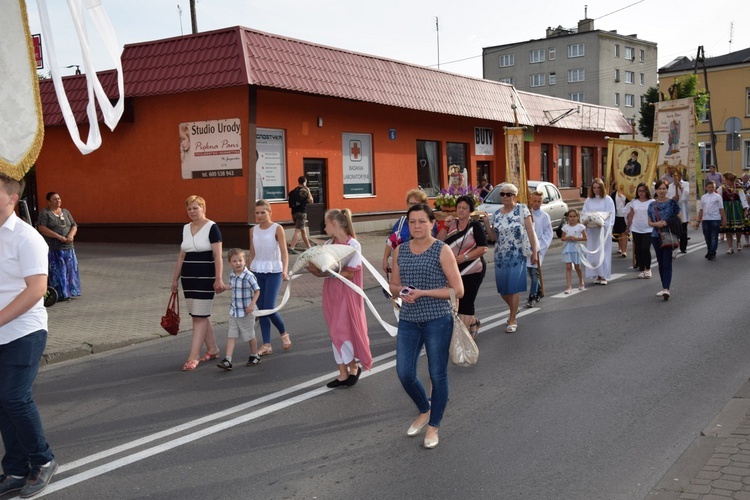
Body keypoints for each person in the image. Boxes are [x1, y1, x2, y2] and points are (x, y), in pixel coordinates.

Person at [0, 173, 58, 498]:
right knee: (2, 400)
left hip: (25, 330)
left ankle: (44, 460)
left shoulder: (27, 238)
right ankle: (17, 469)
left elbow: (36, 289)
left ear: (11, 198)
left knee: (13, 396)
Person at [390, 203, 463, 450]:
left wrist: (422, 293)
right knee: (404, 373)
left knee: (437, 374)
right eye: (412, 221)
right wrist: (403, 292)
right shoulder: (400, 251)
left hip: (437, 319)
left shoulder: (442, 250)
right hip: (409, 319)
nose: (417, 226)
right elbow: (393, 286)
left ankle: (433, 426)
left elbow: (458, 290)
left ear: (433, 223)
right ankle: (424, 408)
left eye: (422, 221)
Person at [308, 209, 372, 388]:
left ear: (334, 224)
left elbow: (350, 273)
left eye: (326, 223)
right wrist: (312, 265)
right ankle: (343, 372)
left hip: (348, 293)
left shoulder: (353, 245)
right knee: (334, 330)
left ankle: (353, 367)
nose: (324, 227)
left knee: (342, 330)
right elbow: (323, 271)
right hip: (332, 292)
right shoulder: (329, 243)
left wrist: (327, 271)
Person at [171, 195, 225, 371]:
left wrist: (218, 278)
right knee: (198, 314)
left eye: (196, 208)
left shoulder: (212, 227)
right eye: (189, 209)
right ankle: (213, 349)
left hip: (205, 277)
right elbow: (181, 255)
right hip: (188, 278)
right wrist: (175, 279)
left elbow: (218, 256)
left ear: (203, 208)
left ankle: (193, 356)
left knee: (199, 317)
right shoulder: (186, 228)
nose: (192, 211)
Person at [436, 195, 488, 337]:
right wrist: (445, 226)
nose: (461, 210)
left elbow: (483, 248)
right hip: (454, 271)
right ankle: (473, 321)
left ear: (470, 210)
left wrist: (464, 257)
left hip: (473, 270)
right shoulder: (452, 225)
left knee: (466, 302)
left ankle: (462, 338)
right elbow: (437, 243)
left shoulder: (475, 226)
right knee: (454, 302)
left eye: (464, 208)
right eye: (459, 207)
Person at [490, 183, 538, 333]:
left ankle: (512, 319)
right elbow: (492, 237)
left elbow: (530, 231)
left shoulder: (522, 209)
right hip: (500, 255)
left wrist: (534, 251)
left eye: (508, 194)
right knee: (503, 290)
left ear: (514, 196)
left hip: (517, 253)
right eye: (502, 194)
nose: (505, 197)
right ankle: (514, 309)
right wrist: (486, 223)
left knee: (513, 287)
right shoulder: (497, 214)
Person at [248, 200, 291, 355]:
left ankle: (284, 334)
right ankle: (266, 344)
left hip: (274, 271)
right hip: (257, 270)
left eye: (263, 212)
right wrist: (247, 273)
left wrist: (285, 270)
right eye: (257, 212)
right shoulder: (253, 230)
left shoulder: (277, 228)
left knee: (269, 308)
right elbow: (252, 253)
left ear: (270, 212)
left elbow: (284, 252)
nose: (259, 216)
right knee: (261, 309)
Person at [217, 249, 261, 371]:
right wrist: (223, 288)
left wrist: (252, 304)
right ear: (230, 263)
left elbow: (257, 290)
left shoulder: (249, 276)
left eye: (240, 260)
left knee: (249, 336)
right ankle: (227, 359)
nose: (238, 263)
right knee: (231, 335)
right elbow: (232, 286)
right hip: (234, 311)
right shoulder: (232, 275)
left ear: (244, 261)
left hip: (246, 312)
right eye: (234, 261)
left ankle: (254, 355)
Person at [36, 192, 81, 301]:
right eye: (55, 199)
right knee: (58, 271)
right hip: (54, 248)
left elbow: (74, 225)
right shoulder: (45, 213)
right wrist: (58, 237)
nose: (58, 201)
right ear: (49, 201)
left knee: (69, 270)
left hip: (68, 247)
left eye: (59, 198)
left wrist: (70, 235)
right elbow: (42, 228)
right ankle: (60, 293)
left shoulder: (65, 212)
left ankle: (71, 291)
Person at [382, 188, 429, 276]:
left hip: (422, 266)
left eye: (417, 203)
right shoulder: (401, 221)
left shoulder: (428, 222)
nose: (413, 206)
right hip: (401, 265)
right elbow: (390, 242)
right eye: (411, 203)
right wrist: (385, 260)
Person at [648, 180, 681, 300]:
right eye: (659, 188)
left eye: (664, 188)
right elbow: (649, 222)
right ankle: (664, 287)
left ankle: (666, 288)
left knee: (667, 262)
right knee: (660, 263)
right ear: (655, 190)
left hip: (668, 235)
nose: (662, 191)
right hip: (656, 236)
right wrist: (656, 224)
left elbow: (679, 219)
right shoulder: (652, 205)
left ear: (667, 189)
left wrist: (667, 222)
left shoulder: (672, 203)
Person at [582, 178, 616, 285]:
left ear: (602, 188)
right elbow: (584, 213)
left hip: (603, 230)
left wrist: (605, 224)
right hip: (592, 231)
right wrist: (586, 222)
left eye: (598, 187)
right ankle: (596, 274)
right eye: (594, 188)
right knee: (593, 253)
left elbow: (611, 214)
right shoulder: (588, 200)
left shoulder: (608, 199)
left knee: (603, 253)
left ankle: (603, 275)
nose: (596, 190)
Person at [525, 190, 552, 308]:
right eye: (534, 201)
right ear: (531, 200)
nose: (536, 203)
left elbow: (548, 233)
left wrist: (539, 245)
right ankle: (540, 291)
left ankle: (532, 296)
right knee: (530, 272)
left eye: (539, 201)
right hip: (527, 247)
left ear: (542, 202)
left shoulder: (544, 216)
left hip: (538, 246)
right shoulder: (527, 214)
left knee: (535, 273)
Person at [626, 183, 655, 278]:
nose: (641, 193)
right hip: (636, 228)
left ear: (646, 191)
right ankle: (641, 269)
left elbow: (654, 215)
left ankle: (648, 269)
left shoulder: (652, 202)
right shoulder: (634, 202)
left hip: (648, 228)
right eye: (639, 191)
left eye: (643, 191)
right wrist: (628, 227)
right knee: (638, 250)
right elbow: (631, 215)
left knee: (645, 248)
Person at [693, 180, 726, 260]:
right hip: (706, 219)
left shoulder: (718, 197)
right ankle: (709, 250)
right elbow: (701, 210)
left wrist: (724, 219)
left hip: (715, 218)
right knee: (707, 236)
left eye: (712, 187)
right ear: (706, 188)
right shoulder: (704, 197)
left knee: (714, 236)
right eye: (709, 187)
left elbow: (721, 209)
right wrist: (698, 220)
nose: (711, 189)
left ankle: (712, 252)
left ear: (715, 188)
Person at [719, 173, 748, 254]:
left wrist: (745, 209)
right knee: (727, 228)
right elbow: (718, 198)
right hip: (726, 209)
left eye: (726, 179)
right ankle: (730, 247)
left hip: (736, 208)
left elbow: (743, 199)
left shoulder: (738, 187)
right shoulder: (722, 188)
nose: (724, 181)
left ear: (730, 180)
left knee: (738, 227)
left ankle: (738, 241)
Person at [560, 209, 587, 293]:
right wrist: (567, 238)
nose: (572, 218)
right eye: (570, 216)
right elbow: (562, 238)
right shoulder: (565, 227)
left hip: (576, 248)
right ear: (568, 217)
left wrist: (576, 238)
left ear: (577, 217)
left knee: (577, 267)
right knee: (568, 267)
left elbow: (585, 238)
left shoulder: (580, 227)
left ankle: (581, 280)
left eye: (574, 216)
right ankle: (569, 286)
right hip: (568, 248)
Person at [287, 176, 314, 254]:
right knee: (298, 230)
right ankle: (292, 247)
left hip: (294, 213)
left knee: (303, 230)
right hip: (301, 213)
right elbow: (311, 201)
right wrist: (309, 191)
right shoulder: (304, 191)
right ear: (304, 182)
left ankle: (309, 247)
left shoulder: (293, 191)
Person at [611, 183, 629, 258]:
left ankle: (624, 251)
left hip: (624, 215)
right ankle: (620, 247)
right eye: (616, 185)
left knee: (624, 233)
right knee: (618, 233)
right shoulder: (613, 194)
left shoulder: (627, 194)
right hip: (616, 215)